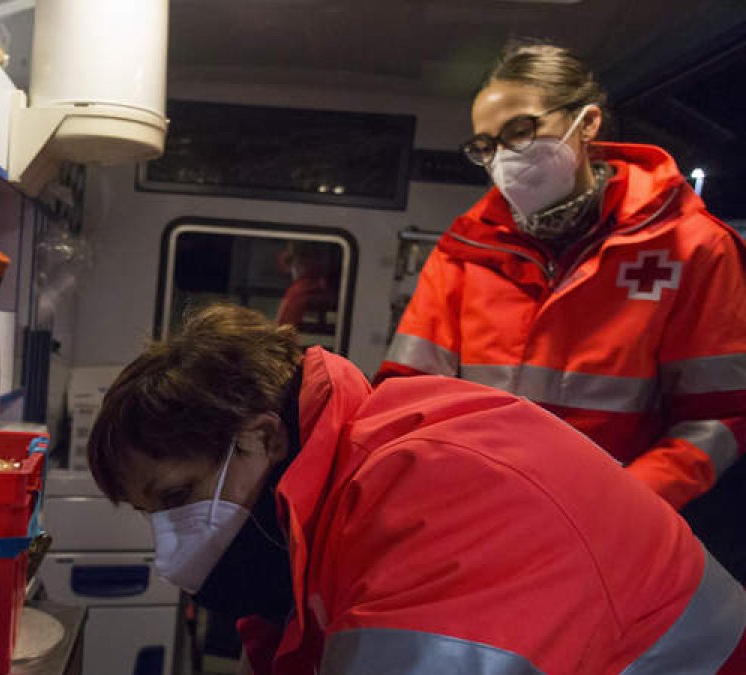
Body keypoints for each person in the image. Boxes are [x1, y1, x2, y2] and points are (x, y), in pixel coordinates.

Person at [87, 304, 746, 675]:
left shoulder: (430, 491)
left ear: (263, 436)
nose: (171, 551)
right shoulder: (323, 516)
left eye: (177, 498)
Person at [376, 40, 746, 578]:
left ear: (588, 123)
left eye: (520, 132)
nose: (503, 158)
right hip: (477, 521)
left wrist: (620, 504)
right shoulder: (467, 249)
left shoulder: (690, 248)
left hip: (615, 535)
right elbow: (406, 397)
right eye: (485, 146)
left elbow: (719, 416)